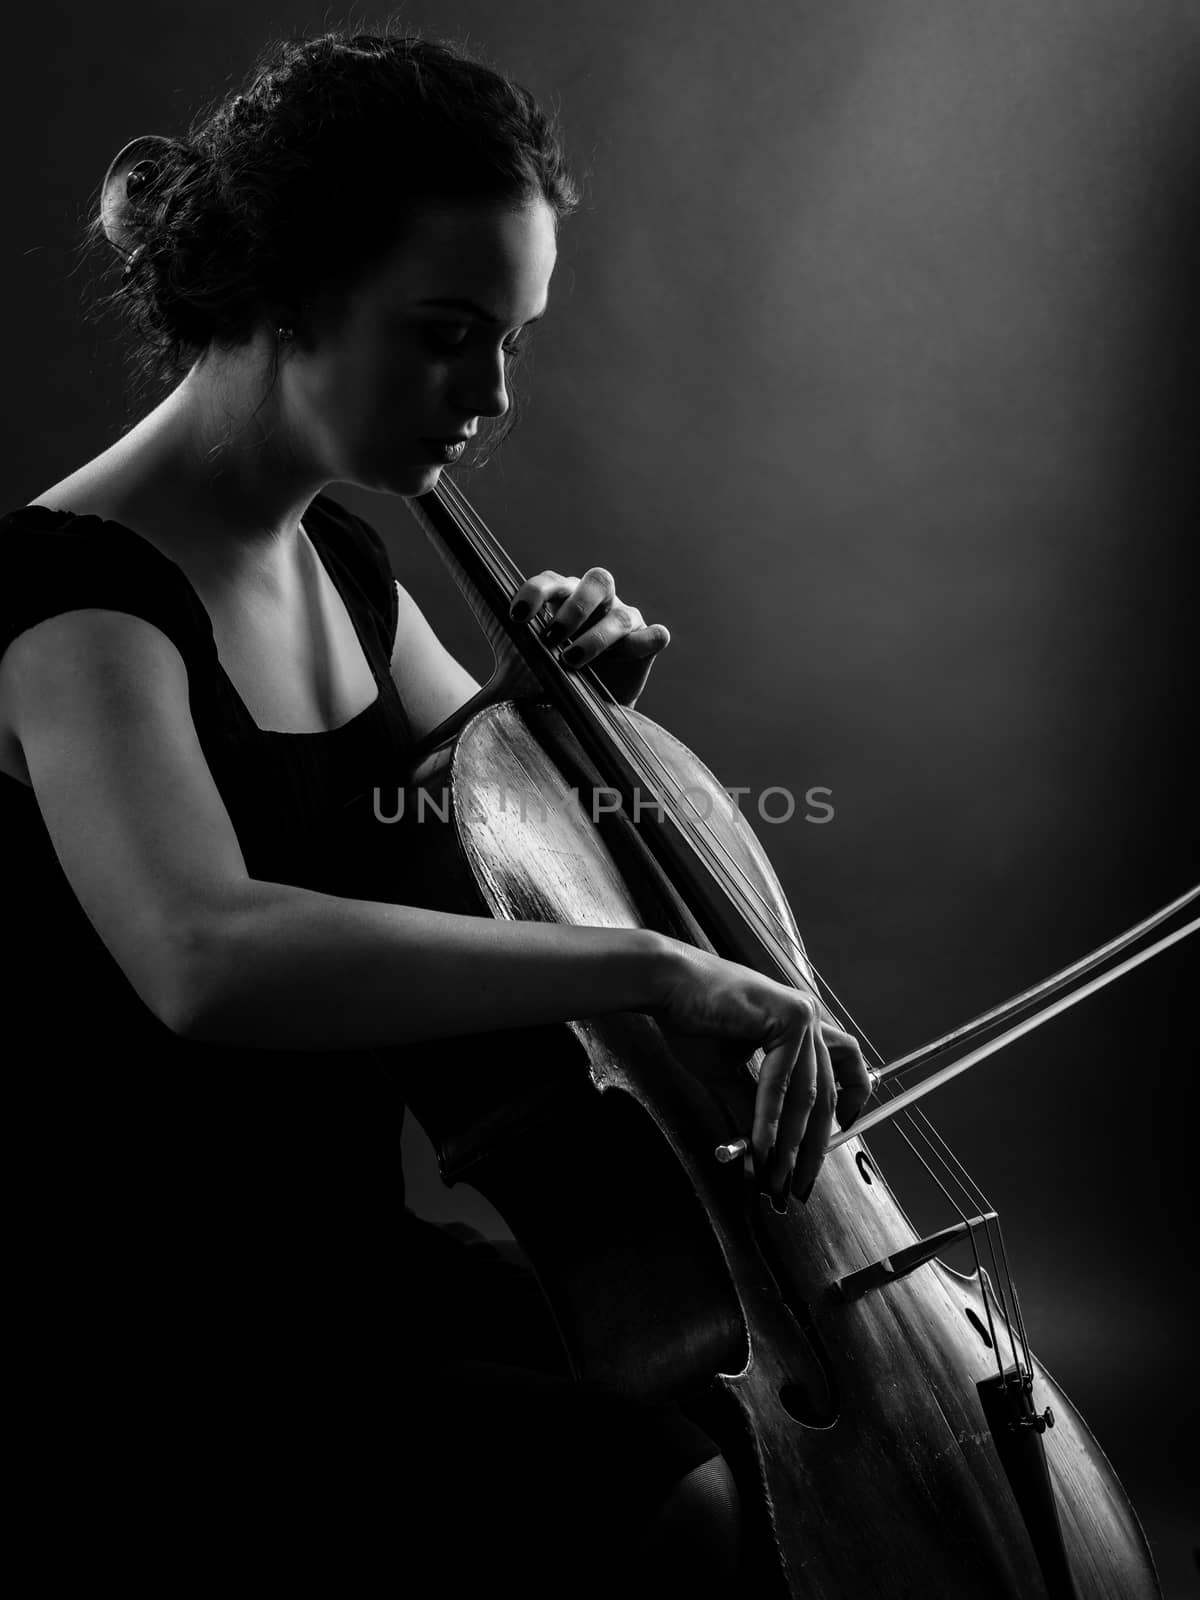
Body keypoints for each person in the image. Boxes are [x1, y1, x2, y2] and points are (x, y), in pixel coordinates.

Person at [1, 26, 871, 1595]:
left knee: (740, 1426)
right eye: (448, 335)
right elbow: (208, 952)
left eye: (514, 341)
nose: (492, 394)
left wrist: (560, 714)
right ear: (283, 292)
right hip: (147, 1329)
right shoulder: (71, 598)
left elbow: (487, 864)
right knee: (663, 1505)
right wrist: (665, 974)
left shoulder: (344, 566)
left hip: (346, 1279)